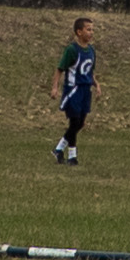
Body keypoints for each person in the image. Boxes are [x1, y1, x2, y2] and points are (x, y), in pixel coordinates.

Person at [52, 15, 98, 164]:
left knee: (80, 123)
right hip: (73, 90)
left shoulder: (91, 50)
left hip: (85, 91)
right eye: (88, 29)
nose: (91, 33)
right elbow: (60, 69)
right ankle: (72, 156)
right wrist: (55, 87)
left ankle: (58, 149)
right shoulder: (72, 50)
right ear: (79, 32)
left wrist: (96, 85)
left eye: (92, 30)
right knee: (74, 122)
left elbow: (89, 71)